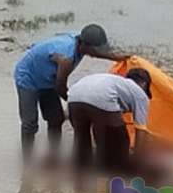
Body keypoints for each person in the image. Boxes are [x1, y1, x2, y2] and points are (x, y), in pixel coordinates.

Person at [13, 24, 126, 164]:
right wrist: (75, 103)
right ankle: (27, 161)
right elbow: (60, 86)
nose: (95, 53)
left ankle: (53, 156)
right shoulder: (66, 58)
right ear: (84, 45)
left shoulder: (81, 41)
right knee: (30, 123)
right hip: (28, 78)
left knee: (56, 119)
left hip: (48, 79)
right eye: (94, 49)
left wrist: (121, 58)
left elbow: (98, 52)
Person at [67, 68, 152, 172]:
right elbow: (140, 130)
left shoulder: (118, 82)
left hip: (74, 97)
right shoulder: (140, 93)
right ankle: (114, 173)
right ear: (144, 83)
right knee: (121, 140)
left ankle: (80, 175)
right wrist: (137, 159)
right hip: (102, 98)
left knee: (81, 138)